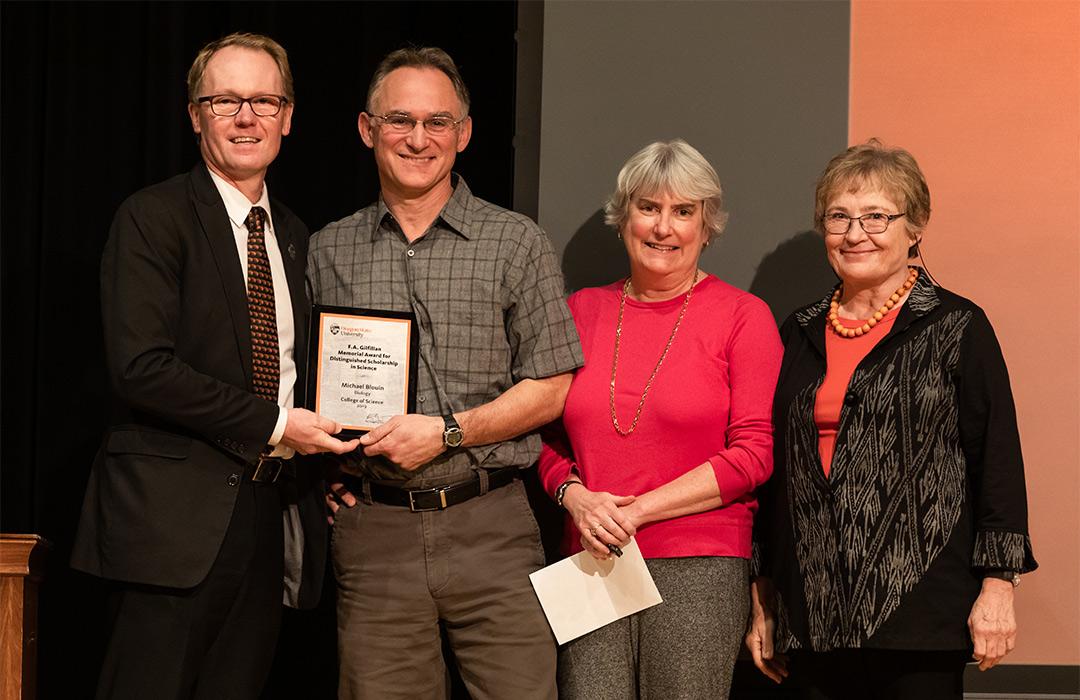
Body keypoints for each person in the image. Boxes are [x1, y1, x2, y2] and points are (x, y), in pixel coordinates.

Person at [71, 32, 358, 699]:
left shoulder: (293, 234)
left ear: (288, 117)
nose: (246, 117)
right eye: (225, 100)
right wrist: (280, 424)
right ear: (194, 114)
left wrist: (331, 458)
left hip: (268, 517)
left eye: (263, 99)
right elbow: (142, 367)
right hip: (171, 531)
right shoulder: (153, 217)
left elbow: (295, 371)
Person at [306, 46, 583, 699]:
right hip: (375, 533)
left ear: (464, 133)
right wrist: (319, 470)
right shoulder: (325, 249)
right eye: (399, 120)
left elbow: (551, 387)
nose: (418, 138)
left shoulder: (517, 241)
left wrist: (449, 432)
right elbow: (302, 381)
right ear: (367, 129)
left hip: (490, 523)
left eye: (438, 122)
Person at [746, 140, 1037, 699]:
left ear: (916, 226)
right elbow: (773, 475)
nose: (856, 234)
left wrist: (998, 587)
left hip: (920, 617)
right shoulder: (797, 331)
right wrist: (764, 598)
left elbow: (996, 461)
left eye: (877, 216)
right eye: (839, 217)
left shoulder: (958, 326)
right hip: (812, 615)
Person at [538, 139, 783, 698]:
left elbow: (754, 454)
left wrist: (639, 511)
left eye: (683, 211)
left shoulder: (743, 318)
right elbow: (545, 440)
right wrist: (575, 498)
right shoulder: (579, 311)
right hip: (591, 558)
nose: (663, 227)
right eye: (649, 207)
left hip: (698, 562)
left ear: (707, 223)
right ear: (624, 217)